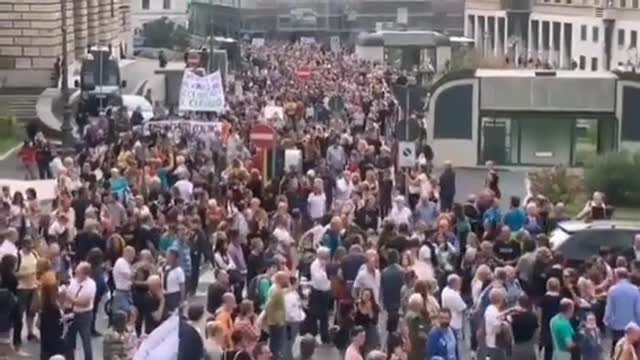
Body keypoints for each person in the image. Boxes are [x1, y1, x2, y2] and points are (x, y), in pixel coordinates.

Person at [65, 262, 97, 360]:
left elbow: (84, 303)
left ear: (84, 273)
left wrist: (68, 296)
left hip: (84, 315)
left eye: (78, 270)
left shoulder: (90, 285)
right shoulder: (73, 281)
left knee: (85, 339)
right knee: (69, 339)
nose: (76, 271)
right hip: (71, 314)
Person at [605, 267, 640, 353]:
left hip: (617, 327)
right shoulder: (635, 290)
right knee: (632, 353)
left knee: (618, 353)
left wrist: (608, 323)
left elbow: (609, 310)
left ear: (616, 276)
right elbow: (638, 310)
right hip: (633, 328)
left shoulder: (612, 290)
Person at [39, 273, 65, 360]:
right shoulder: (54, 307)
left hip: (45, 330)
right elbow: (59, 320)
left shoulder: (44, 302)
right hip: (54, 335)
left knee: (45, 349)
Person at [309, 247, 331, 343]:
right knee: (314, 315)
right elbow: (319, 279)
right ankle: (312, 336)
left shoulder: (326, 265)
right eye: (325, 256)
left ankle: (325, 337)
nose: (327, 259)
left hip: (325, 293)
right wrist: (323, 270)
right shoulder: (315, 265)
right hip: (317, 292)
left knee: (324, 316)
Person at [381, 249, 404, 333]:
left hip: (388, 301)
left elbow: (382, 287)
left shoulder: (384, 272)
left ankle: (390, 334)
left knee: (391, 321)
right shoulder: (402, 271)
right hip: (398, 300)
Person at [509, 295, 538, 360]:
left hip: (517, 347)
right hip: (529, 347)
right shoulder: (533, 317)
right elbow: (536, 334)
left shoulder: (513, 317)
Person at [440, 274, 467, 340]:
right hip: (454, 322)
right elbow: (463, 307)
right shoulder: (454, 295)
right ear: (454, 284)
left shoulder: (445, 290)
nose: (460, 285)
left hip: (447, 319)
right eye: (459, 283)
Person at [112, 246, 135, 315]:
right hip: (121, 292)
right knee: (124, 313)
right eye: (132, 254)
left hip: (127, 292)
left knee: (130, 312)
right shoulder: (121, 262)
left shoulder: (126, 263)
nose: (133, 257)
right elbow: (130, 275)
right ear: (127, 253)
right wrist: (136, 270)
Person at [163, 248, 185, 313]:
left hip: (175, 295)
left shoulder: (179, 271)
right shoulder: (166, 268)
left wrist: (182, 300)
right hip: (166, 295)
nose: (167, 257)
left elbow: (182, 286)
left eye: (168, 256)